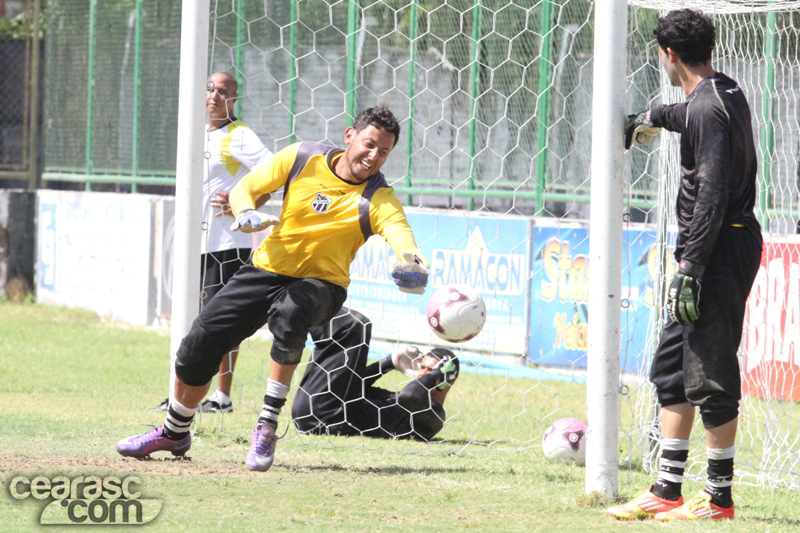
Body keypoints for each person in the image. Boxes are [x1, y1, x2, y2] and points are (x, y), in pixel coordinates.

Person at [117, 105, 431, 472]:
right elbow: (246, 188)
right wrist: (246, 212)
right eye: (369, 144)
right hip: (267, 270)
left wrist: (413, 267)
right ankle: (174, 432)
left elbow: (405, 243)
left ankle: (266, 424)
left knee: (292, 310)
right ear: (350, 136)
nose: (374, 156)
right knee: (198, 343)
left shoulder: (378, 198)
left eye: (384, 151)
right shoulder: (302, 156)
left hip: (322, 285)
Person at [608, 9, 761, 521]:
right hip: (709, 247)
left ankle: (719, 498)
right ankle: (666, 489)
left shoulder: (708, 110)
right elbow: (684, 114)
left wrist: (691, 265)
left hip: (719, 247)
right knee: (672, 367)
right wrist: (648, 118)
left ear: (668, 53)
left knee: (710, 371)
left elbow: (713, 193)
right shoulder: (721, 91)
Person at [154, 71, 273, 414]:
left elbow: (275, 173)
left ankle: (221, 397)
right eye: (210, 89)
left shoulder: (241, 136)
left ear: (234, 99)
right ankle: (181, 391)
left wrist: (245, 203)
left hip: (226, 244)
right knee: (191, 317)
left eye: (223, 92)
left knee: (222, 320)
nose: (214, 96)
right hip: (196, 242)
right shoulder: (195, 133)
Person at [292, 308, 459, 441]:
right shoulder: (394, 397)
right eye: (422, 367)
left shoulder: (434, 416)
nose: (422, 374)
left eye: (430, 370)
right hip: (314, 409)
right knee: (345, 328)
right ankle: (306, 303)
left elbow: (411, 395)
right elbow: (353, 384)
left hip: (323, 419)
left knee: (356, 325)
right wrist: (388, 363)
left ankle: (303, 304)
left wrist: (435, 376)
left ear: (448, 378)